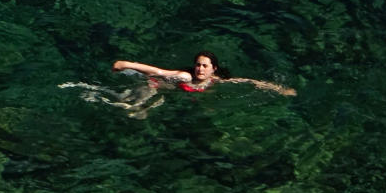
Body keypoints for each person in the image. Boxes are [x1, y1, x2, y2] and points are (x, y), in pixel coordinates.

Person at [60, 52, 295, 117]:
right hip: (152, 85)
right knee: (130, 107)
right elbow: (156, 72)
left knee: (137, 113)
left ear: (214, 68)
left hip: (165, 94)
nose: (199, 69)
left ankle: (98, 94)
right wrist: (126, 63)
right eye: (198, 65)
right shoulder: (184, 77)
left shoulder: (218, 81)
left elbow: (251, 82)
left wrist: (280, 89)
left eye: (204, 66)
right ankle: (91, 91)